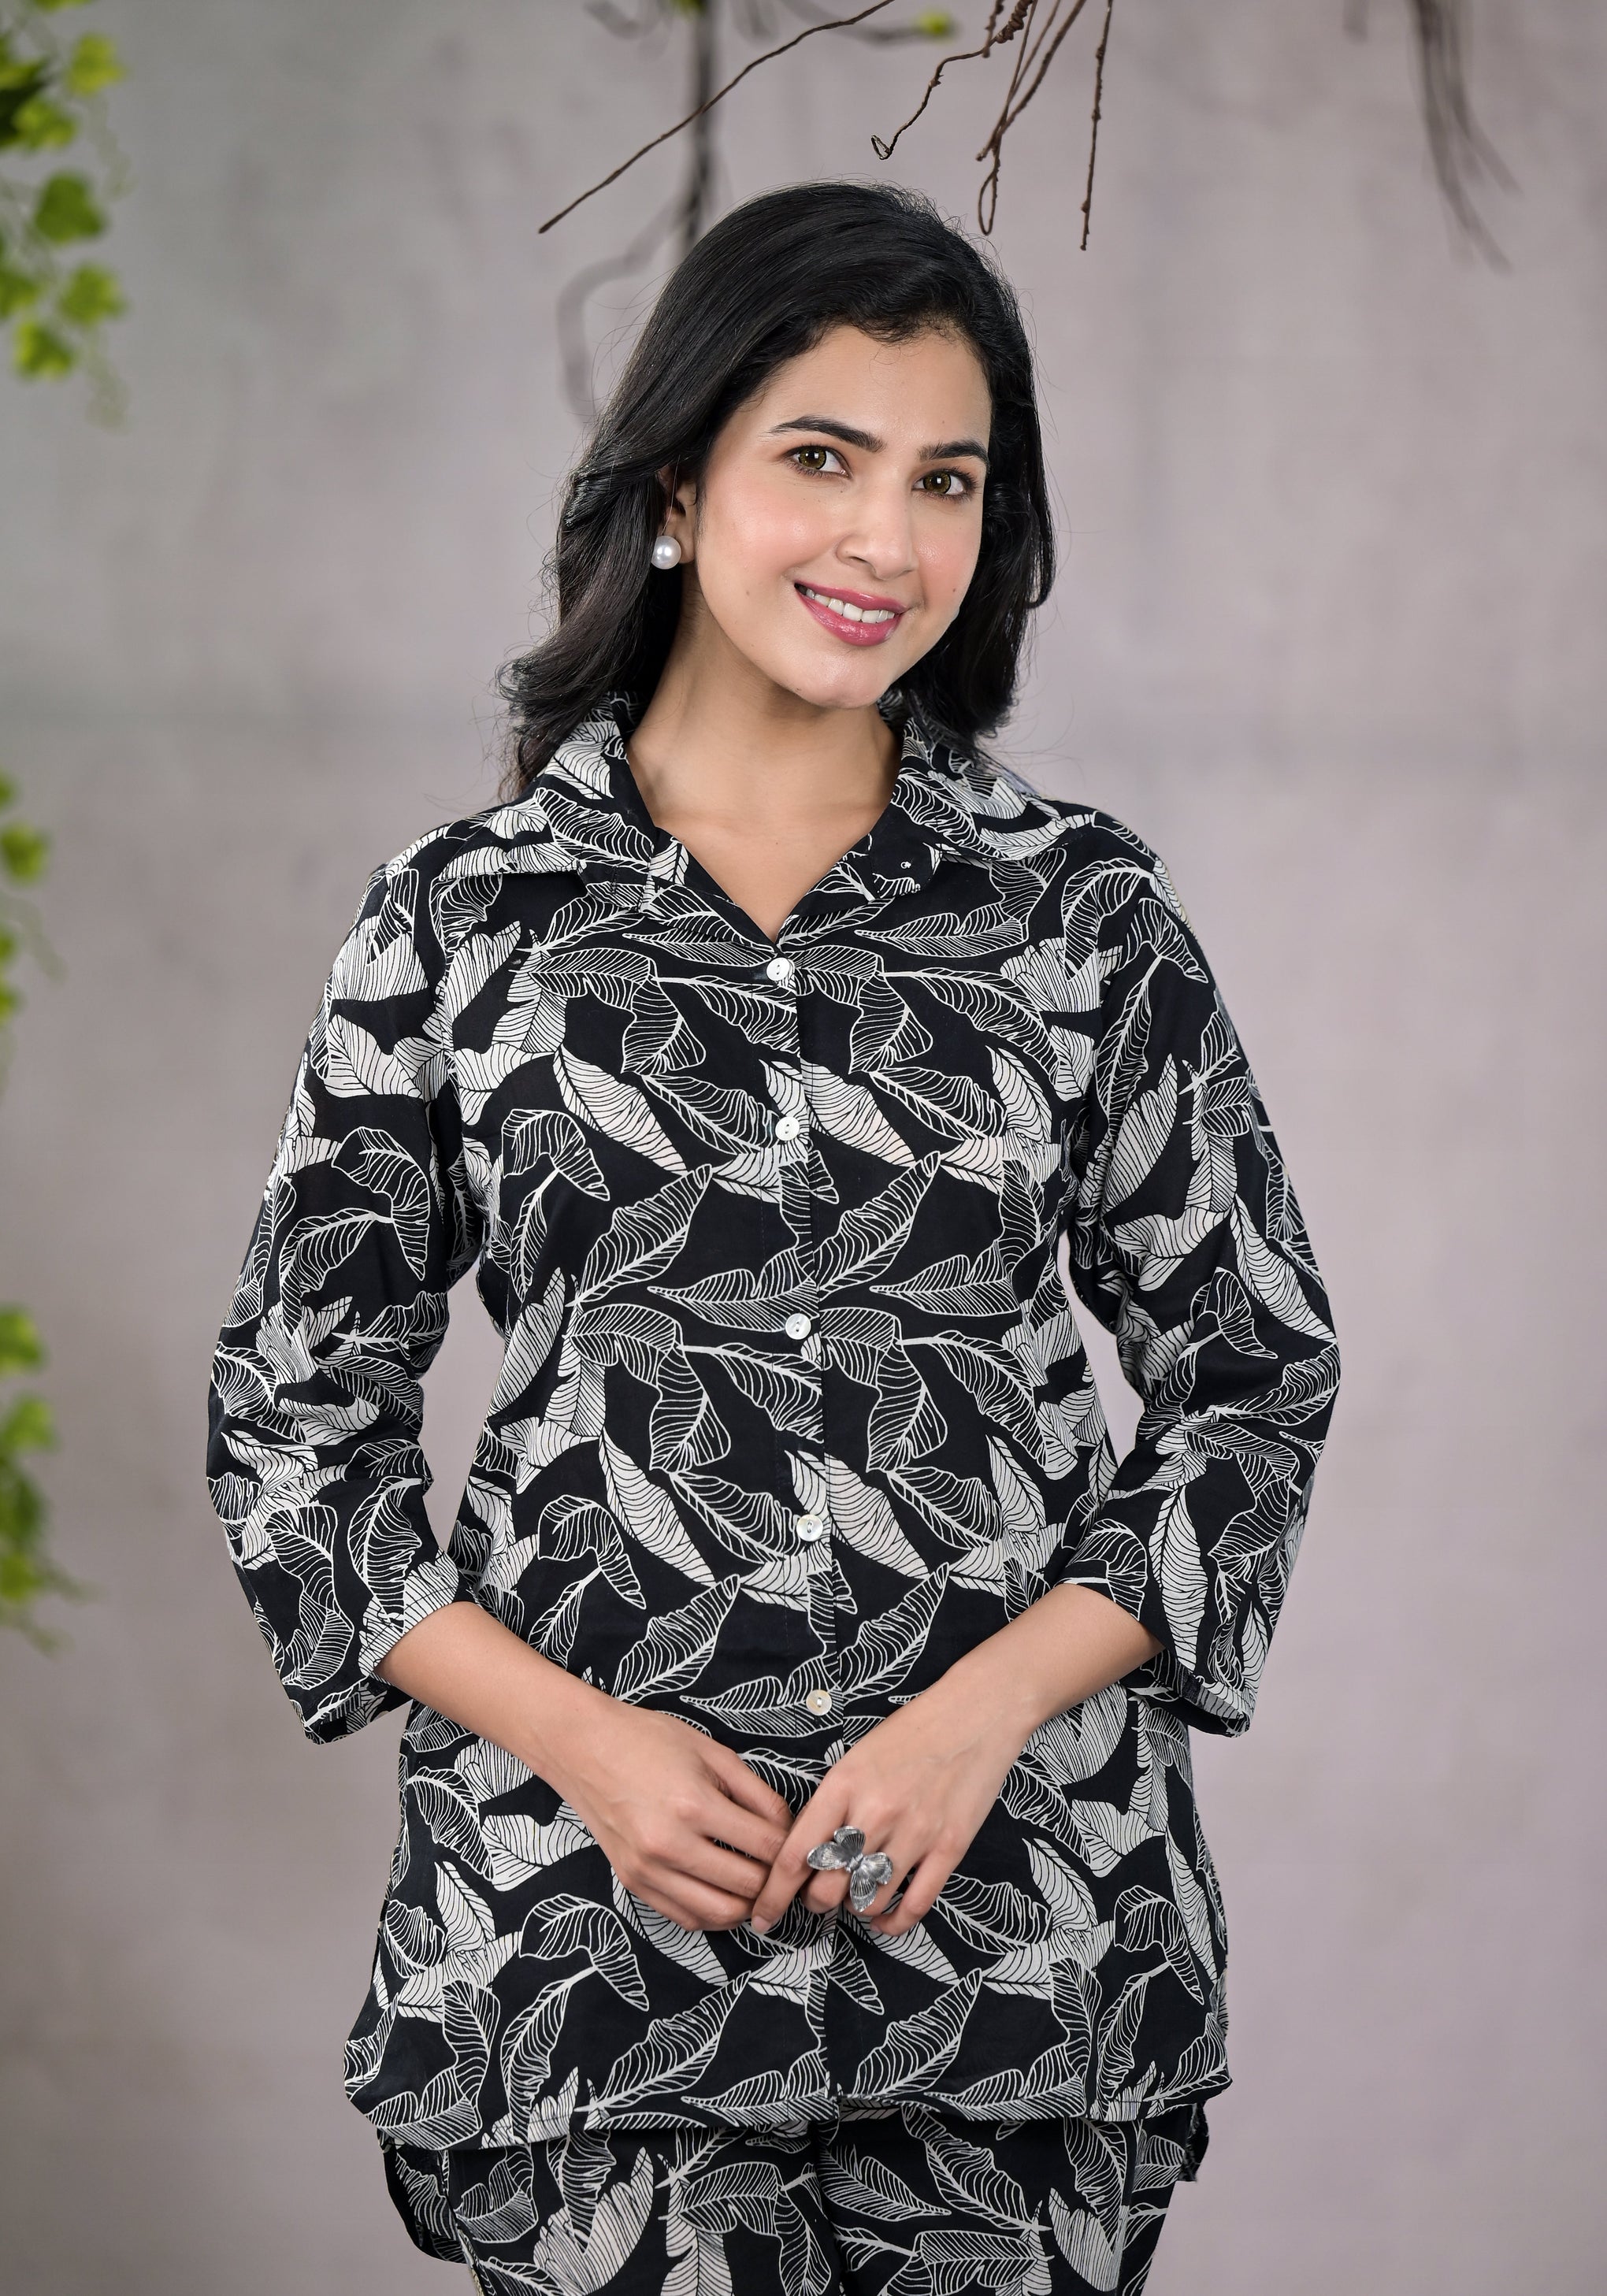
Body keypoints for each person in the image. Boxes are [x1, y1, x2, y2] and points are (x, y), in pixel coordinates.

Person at [206, 180, 1338, 2294]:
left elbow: (1253, 1373)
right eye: (822, 456)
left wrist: (986, 1709)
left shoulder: (1080, 913)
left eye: (947, 481)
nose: (883, 539)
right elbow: (294, 1427)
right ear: (675, 486)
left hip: (1019, 1967)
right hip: (592, 1966)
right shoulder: (462, 921)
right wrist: (586, 1745)